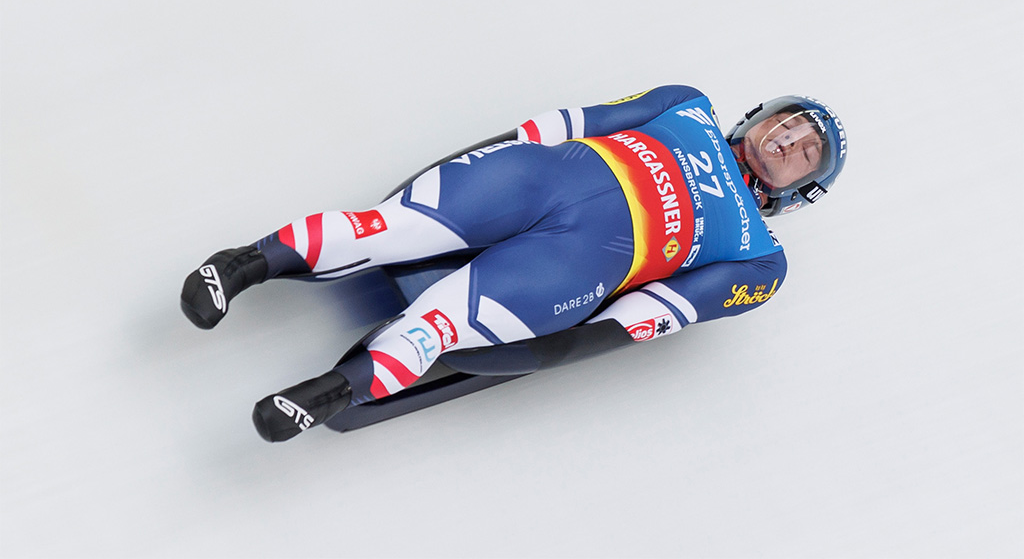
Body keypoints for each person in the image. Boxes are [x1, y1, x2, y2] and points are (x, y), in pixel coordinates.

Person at [180, 85, 848, 442]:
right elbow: (569, 123)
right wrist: (495, 152)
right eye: (787, 125)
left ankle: (327, 392)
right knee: (386, 228)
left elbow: (654, 314)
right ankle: (241, 265)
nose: (786, 141)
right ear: (760, 115)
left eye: (803, 151)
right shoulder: (686, 104)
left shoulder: (761, 263)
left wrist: (558, 346)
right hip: (533, 179)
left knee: (438, 328)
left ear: (802, 188)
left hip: (573, 264)